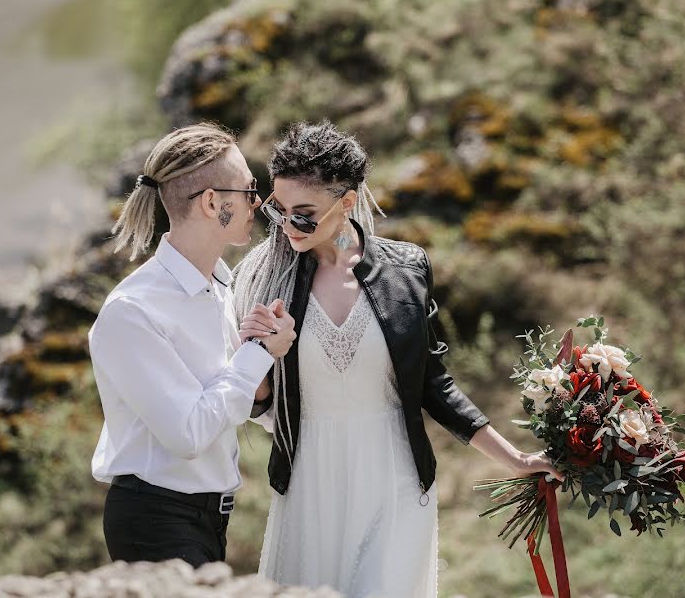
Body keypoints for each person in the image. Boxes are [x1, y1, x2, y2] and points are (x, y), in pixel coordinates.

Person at [233, 121, 563, 597]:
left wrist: (515, 457)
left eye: (304, 214)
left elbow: (435, 382)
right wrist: (260, 353)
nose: (288, 227)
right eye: (279, 211)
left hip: (395, 475)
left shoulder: (405, 270)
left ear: (347, 203)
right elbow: (259, 403)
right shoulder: (265, 279)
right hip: (310, 482)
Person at [88, 123, 296, 567]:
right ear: (211, 202)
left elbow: (228, 403)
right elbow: (188, 433)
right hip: (155, 520)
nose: (257, 202)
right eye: (247, 189)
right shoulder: (133, 310)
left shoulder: (223, 287)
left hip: (211, 518)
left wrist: (258, 380)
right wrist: (257, 354)